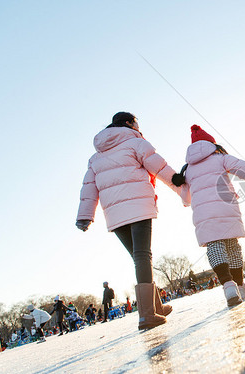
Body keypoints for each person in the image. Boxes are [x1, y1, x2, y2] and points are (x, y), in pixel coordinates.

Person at [76, 112, 177, 330]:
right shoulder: (135, 141)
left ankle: (155, 308)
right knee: (142, 256)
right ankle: (147, 315)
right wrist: (177, 181)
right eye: (137, 122)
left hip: (114, 213)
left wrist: (84, 216)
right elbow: (157, 166)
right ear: (130, 123)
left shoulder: (96, 157)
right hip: (138, 205)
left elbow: (89, 187)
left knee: (139, 258)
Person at [172, 125, 245, 307]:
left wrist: (184, 186)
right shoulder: (220, 157)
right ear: (211, 143)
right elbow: (243, 168)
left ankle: (228, 286)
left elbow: (185, 199)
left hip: (204, 215)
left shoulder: (187, 169)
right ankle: (240, 286)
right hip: (227, 209)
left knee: (215, 247)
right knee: (232, 247)